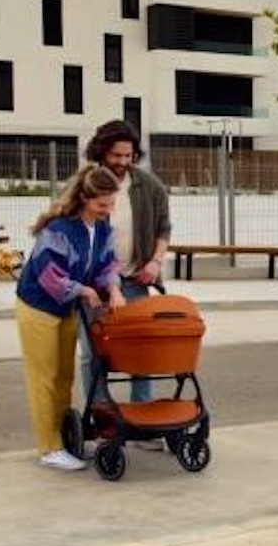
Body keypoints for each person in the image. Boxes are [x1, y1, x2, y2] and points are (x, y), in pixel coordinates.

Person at [16, 164, 126, 471]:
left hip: (66, 309)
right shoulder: (58, 230)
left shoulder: (101, 228)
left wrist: (114, 288)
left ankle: (65, 439)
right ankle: (49, 448)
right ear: (86, 199)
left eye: (112, 203)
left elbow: (107, 264)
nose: (108, 209)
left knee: (64, 376)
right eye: (103, 204)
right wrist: (84, 290)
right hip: (37, 307)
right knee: (44, 379)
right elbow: (49, 275)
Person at [77, 121, 171, 450]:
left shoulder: (148, 185)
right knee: (94, 356)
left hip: (135, 282)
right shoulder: (86, 185)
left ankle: (142, 422)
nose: (122, 161)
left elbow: (163, 228)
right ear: (102, 151)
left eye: (128, 155)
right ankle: (103, 422)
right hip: (94, 287)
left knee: (141, 353)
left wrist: (155, 262)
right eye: (116, 154)